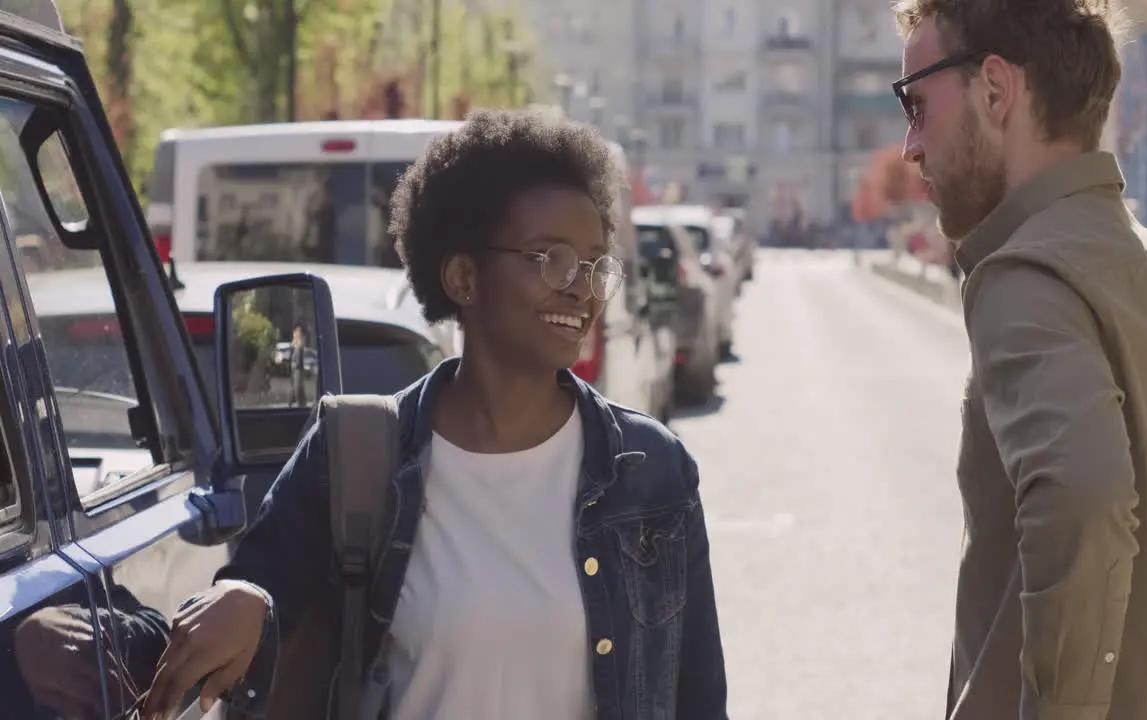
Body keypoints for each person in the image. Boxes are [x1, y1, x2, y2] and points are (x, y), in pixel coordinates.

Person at [141, 108, 729, 720]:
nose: (580, 288)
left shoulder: (651, 472)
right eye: (550, 258)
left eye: (593, 264)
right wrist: (244, 595)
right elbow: (263, 590)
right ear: (463, 276)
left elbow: (698, 700)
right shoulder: (357, 451)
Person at [891, 1, 1147, 718]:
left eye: (917, 106)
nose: (910, 145)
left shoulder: (1027, 276)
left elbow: (1083, 495)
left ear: (996, 90)